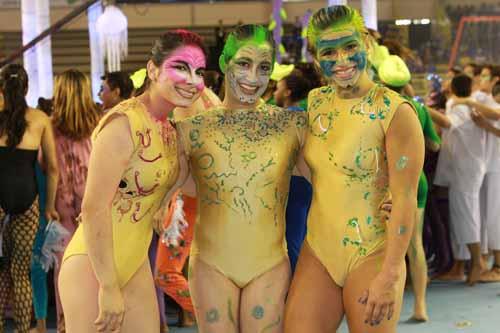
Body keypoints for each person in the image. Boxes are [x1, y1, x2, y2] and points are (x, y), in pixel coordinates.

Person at [284, 6, 424, 333]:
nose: (343, 60)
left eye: (350, 47)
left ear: (367, 45)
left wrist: (390, 275)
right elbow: (315, 170)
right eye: (330, 52)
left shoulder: (396, 111)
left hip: (374, 253)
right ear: (317, 59)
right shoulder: (316, 102)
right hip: (318, 250)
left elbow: (405, 198)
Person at [58, 29, 206, 333]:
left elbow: (196, 187)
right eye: (180, 67)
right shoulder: (122, 123)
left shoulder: (172, 130)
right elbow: (94, 207)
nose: (192, 79)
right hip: (93, 267)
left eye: (198, 71)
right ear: (152, 69)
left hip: (135, 263)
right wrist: (108, 286)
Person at [175, 24, 308, 333]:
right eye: (244, 64)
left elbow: (330, 181)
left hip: (270, 265)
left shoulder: (291, 127)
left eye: (264, 68)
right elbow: (165, 184)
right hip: (211, 265)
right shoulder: (193, 130)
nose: (253, 78)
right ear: (224, 63)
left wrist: (383, 194)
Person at [378, 55, 441, 322]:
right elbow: (435, 145)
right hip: (416, 183)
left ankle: (383, 306)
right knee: (414, 244)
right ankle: (421, 306)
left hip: (385, 183)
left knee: (383, 248)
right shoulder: (419, 109)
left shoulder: (375, 108)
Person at [0, 64, 59, 333]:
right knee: (20, 273)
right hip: (28, 199)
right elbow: (53, 168)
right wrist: (48, 207)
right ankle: (24, 331)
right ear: (26, 88)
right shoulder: (40, 119)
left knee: (1, 274)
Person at [52, 69, 102, 332]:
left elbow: (44, 166)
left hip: (60, 206)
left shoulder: (49, 128)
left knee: (64, 269)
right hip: (93, 202)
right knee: (97, 266)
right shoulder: (100, 124)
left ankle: (65, 323)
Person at [273, 69, 314, 272]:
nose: (274, 93)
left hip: (294, 183)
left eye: (277, 88)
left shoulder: (289, 117)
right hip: (303, 182)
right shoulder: (304, 116)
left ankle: (296, 289)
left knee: (292, 241)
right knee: (300, 237)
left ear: (287, 92)